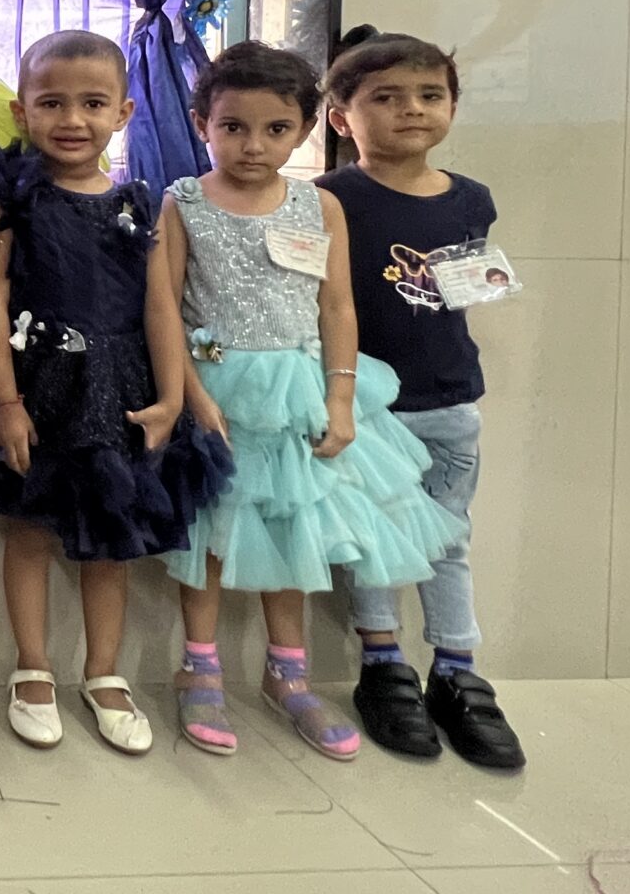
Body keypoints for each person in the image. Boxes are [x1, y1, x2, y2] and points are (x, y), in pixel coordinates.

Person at [155, 41, 466, 762]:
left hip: (298, 394)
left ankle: (287, 675)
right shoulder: (183, 201)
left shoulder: (318, 203)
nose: (253, 145)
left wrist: (342, 396)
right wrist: (191, 395)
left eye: (276, 129)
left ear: (304, 129)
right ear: (202, 123)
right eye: (233, 127)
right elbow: (164, 307)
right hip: (217, 389)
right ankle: (199, 668)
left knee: (293, 531)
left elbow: (337, 306)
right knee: (208, 536)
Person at [0, 31, 231, 752]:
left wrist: (172, 399)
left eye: (93, 104)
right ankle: (32, 667)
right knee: (30, 530)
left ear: (123, 112)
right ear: (21, 110)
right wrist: (6, 402)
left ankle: (104, 673)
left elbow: (160, 306)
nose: (72, 119)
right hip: (39, 385)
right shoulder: (13, 197)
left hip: (119, 389)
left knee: (109, 543)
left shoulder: (138, 201)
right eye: (52, 103)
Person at [320, 25, 525, 768]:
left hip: (449, 395)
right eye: (387, 97)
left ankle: (458, 670)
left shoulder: (471, 199)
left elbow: (464, 285)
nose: (412, 109)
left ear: (453, 107)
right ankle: (383, 665)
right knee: (371, 534)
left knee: (448, 535)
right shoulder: (328, 198)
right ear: (342, 118)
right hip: (366, 404)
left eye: (430, 95)